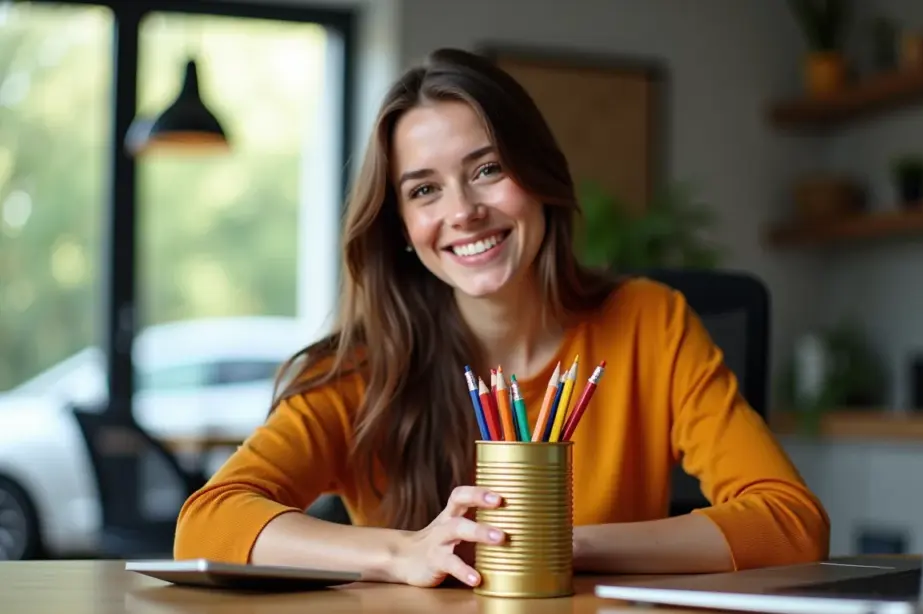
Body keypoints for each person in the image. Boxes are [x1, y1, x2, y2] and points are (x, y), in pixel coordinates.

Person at [174, 47, 829, 588]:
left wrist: (554, 543)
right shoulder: (364, 368)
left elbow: (790, 522)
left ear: (540, 177)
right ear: (402, 226)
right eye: (425, 189)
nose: (463, 212)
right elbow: (207, 523)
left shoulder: (649, 323)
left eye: (487, 169)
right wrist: (403, 552)